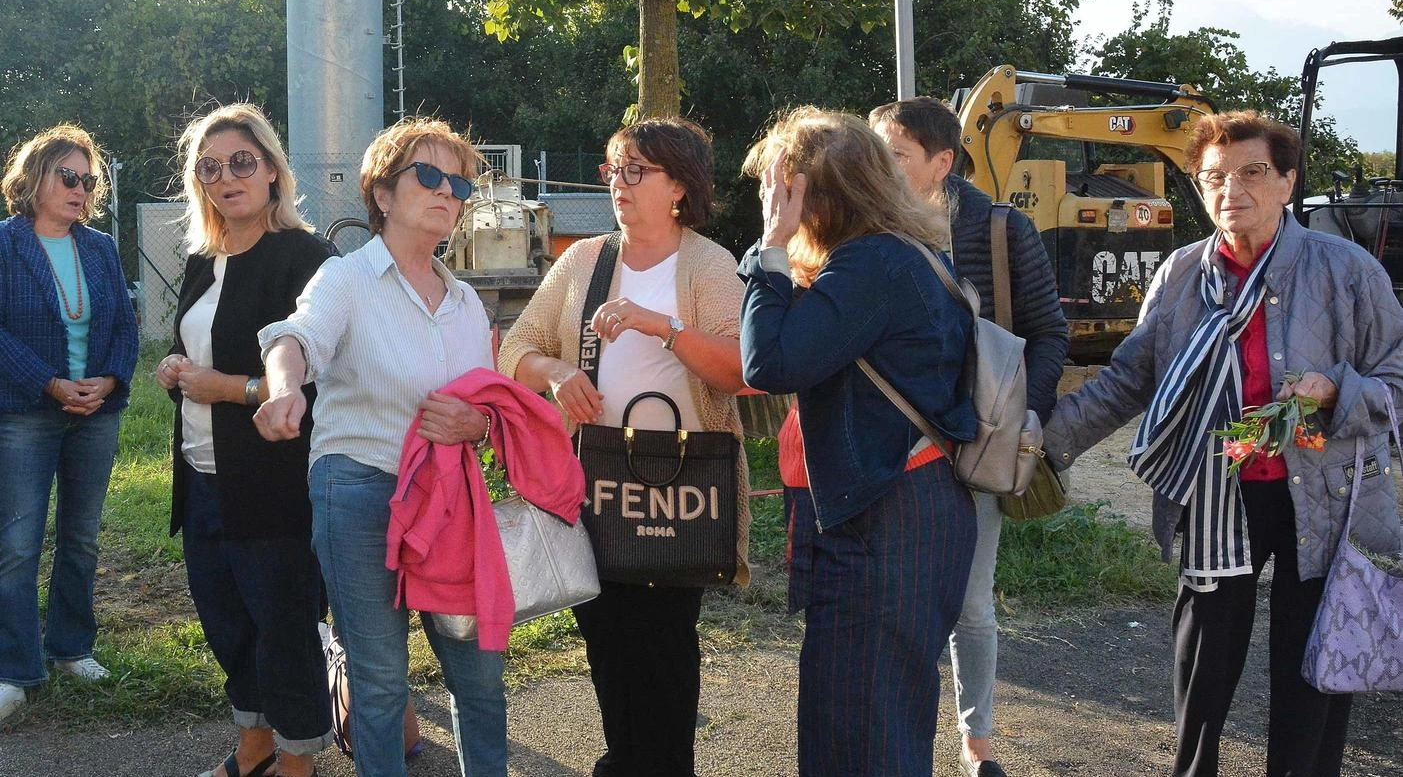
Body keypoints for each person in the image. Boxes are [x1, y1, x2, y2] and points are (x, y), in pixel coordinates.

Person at [1042, 110, 1403, 777]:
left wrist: (1334, 392)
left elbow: (1395, 375)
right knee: (1202, 668)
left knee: (1312, 668)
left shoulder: (1346, 271)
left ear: (1286, 181)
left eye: (1251, 172)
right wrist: (1037, 442)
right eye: (1213, 177)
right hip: (1218, 490)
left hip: (1323, 496)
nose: (1229, 190)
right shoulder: (1181, 275)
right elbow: (1126, 381)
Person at [497, 117, 748, 777]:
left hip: (681, 483)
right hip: (595, 478)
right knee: (604, 635)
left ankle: (664, 765)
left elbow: (737, 367)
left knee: (663, 642)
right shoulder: (584, 259)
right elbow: (514, 347)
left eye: (637, 169)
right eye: (615, 167)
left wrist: (660, 326)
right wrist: (557, 374)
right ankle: (624, 760)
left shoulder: (709, 263)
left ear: (678, 187)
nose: (619, 182)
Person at [254, 117, 504, 777]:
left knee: (479, 676)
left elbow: (487, 409)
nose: (446, 191)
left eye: (458, 182)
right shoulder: (347, 280)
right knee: (381, 679)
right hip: (359, 490)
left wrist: (474, 426)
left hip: (449, 500)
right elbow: (294, 338)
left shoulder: (466, 302)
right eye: (428, 175)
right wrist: (283, 390)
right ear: (382, 195)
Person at [738, 106, 976, 776]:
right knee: (874, 715)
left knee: (863, 727)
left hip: (887, 517)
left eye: (782, 188)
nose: (776, 200)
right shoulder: (902, 253)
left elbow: (771, 363)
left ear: (818, 193)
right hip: (911, 504)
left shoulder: (871, 263)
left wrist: (770, 245)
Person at [868, 96, 1069, 777]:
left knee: (971, 603)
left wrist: (1019, 417)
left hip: (973, 449)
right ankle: (899, 732)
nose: (878, 168)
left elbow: (1049, 334)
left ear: (942, 161)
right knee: (894, 598)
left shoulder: (999, 229)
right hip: (886, 450)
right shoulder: (861, 227)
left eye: (892, 155)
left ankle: (976, 740)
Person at [156, 104, 332, 777]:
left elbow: (313, 383)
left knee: (284, 627)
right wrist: (175, 367)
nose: (226, 177)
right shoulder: (203, 258)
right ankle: (254, 743)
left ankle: (297, 758)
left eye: (240, 162)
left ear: (270, 170)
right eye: (210, 167)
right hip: (202, 477)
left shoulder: (305, 257)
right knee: (228, 625)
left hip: (274, 481)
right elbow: (193, 347)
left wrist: (224, 386)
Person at [0, 124, 138, 723]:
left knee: (81, 538)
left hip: (94, 414)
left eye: (88, 179)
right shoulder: (4, 245)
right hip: (25, 413)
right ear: (33, 180)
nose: (81, 188)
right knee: (17, 544)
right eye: (68, 177)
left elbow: (124, 329)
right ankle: (13, 667)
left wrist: (107, 380)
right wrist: (48, 382)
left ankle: (71, 647)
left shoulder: (101, 248)